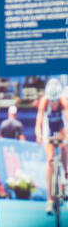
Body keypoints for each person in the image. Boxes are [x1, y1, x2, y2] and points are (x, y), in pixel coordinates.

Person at [35, 78, 68, 215]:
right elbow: (39, 123)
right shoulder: (44, 101)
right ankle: (49, 199)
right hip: (49, 129)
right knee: (50, 160)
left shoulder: (63, 101)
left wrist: (65, 138)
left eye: (55, 101)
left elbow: (66, 122)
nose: (53, 103)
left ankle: (65, 176)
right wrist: (38, 135)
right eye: (51, 100)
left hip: (60, 128)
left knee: (64, 147)